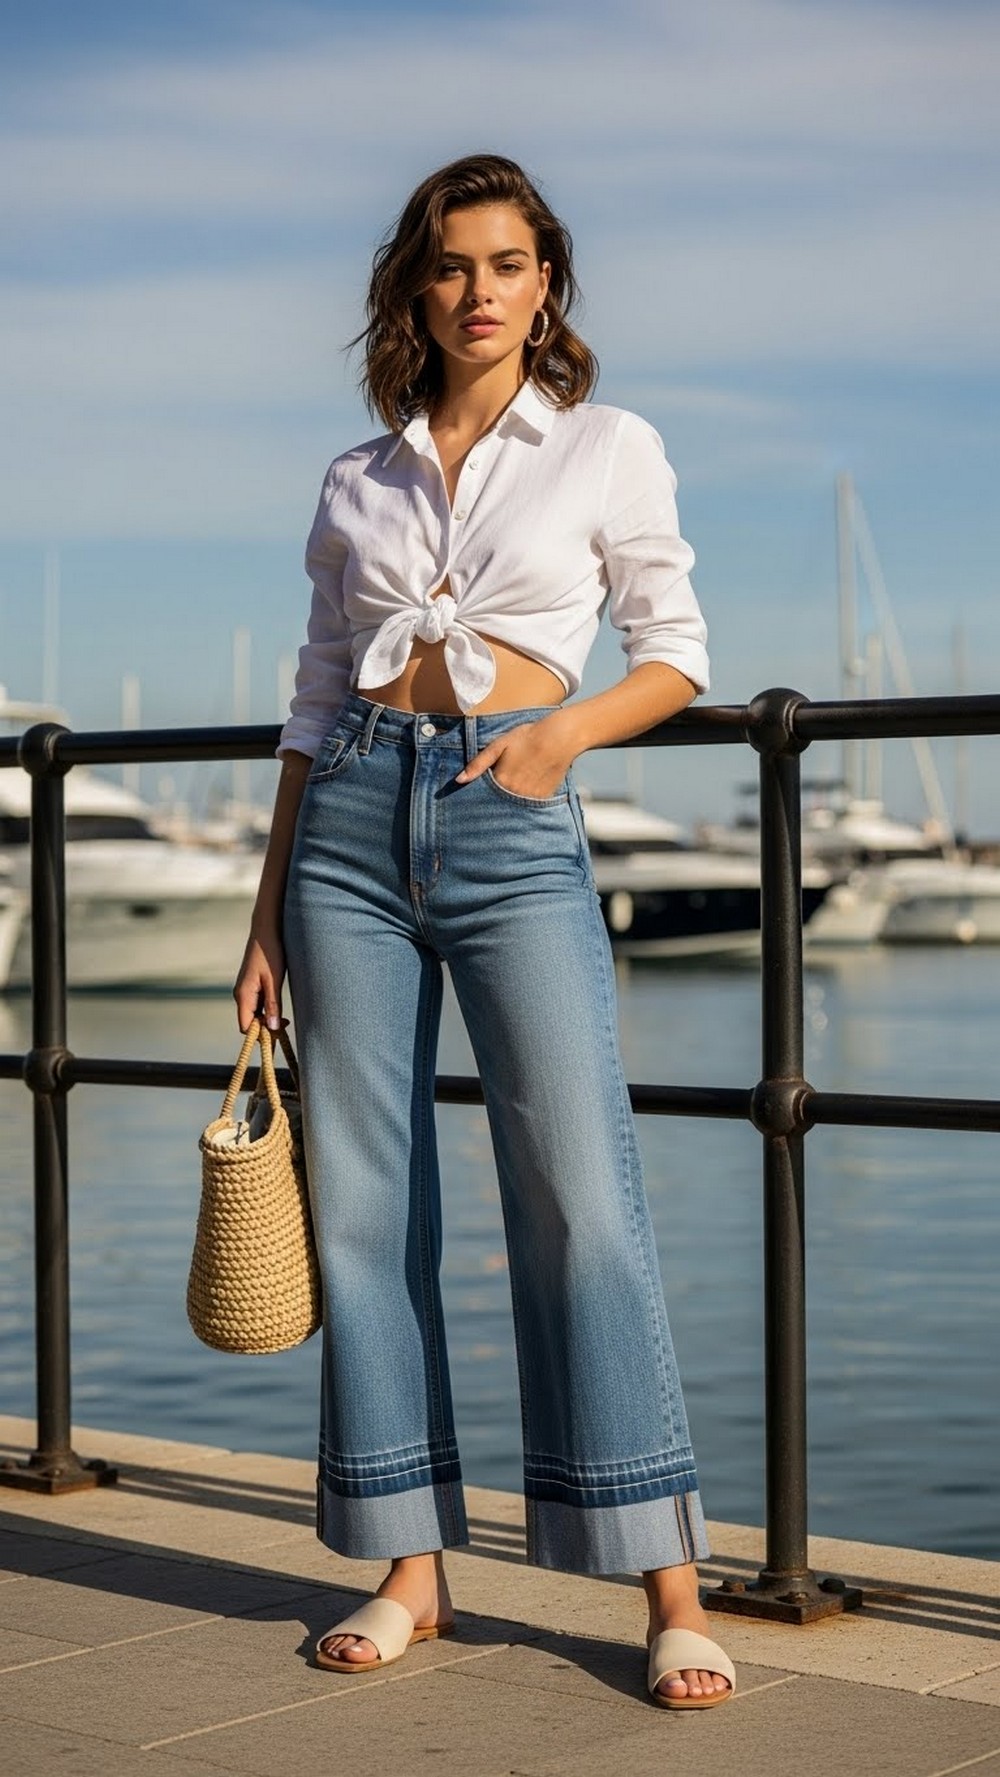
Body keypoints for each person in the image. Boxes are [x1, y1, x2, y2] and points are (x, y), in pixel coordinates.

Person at [234, 152, 734, 1711]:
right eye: (453, 266)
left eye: (508, 264)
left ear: (547, 284)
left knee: (580, 1191)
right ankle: (405, 1564)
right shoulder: (355, 478)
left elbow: (678, 656)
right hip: (348, 839)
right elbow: (316, 701)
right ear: (415, 286)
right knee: (367, 1207)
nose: (479, 292)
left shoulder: (604, 447)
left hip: (515, 817)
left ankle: (668, 1577)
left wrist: (561, 740)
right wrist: (264, 907)